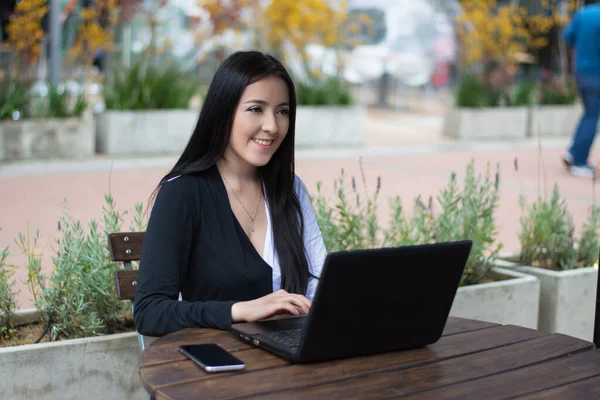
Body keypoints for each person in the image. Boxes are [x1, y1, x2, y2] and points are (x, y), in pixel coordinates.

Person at [133, 51, 328, 337]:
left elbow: (317, 283)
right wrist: (238, 310)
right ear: (223, 112)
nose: (272, 126)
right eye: (255, 109)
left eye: (282, 111)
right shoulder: (182, 194)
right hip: (214, 365)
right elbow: (149, 312)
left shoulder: (290, 189)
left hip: (285, 361)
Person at [562, 1, 600, 178]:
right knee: (592, 116)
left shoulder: (582, 13)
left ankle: (574, 152)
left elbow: (568, 36)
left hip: (580, 72)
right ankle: (579, 162)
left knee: (588, 113)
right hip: (596, 73)